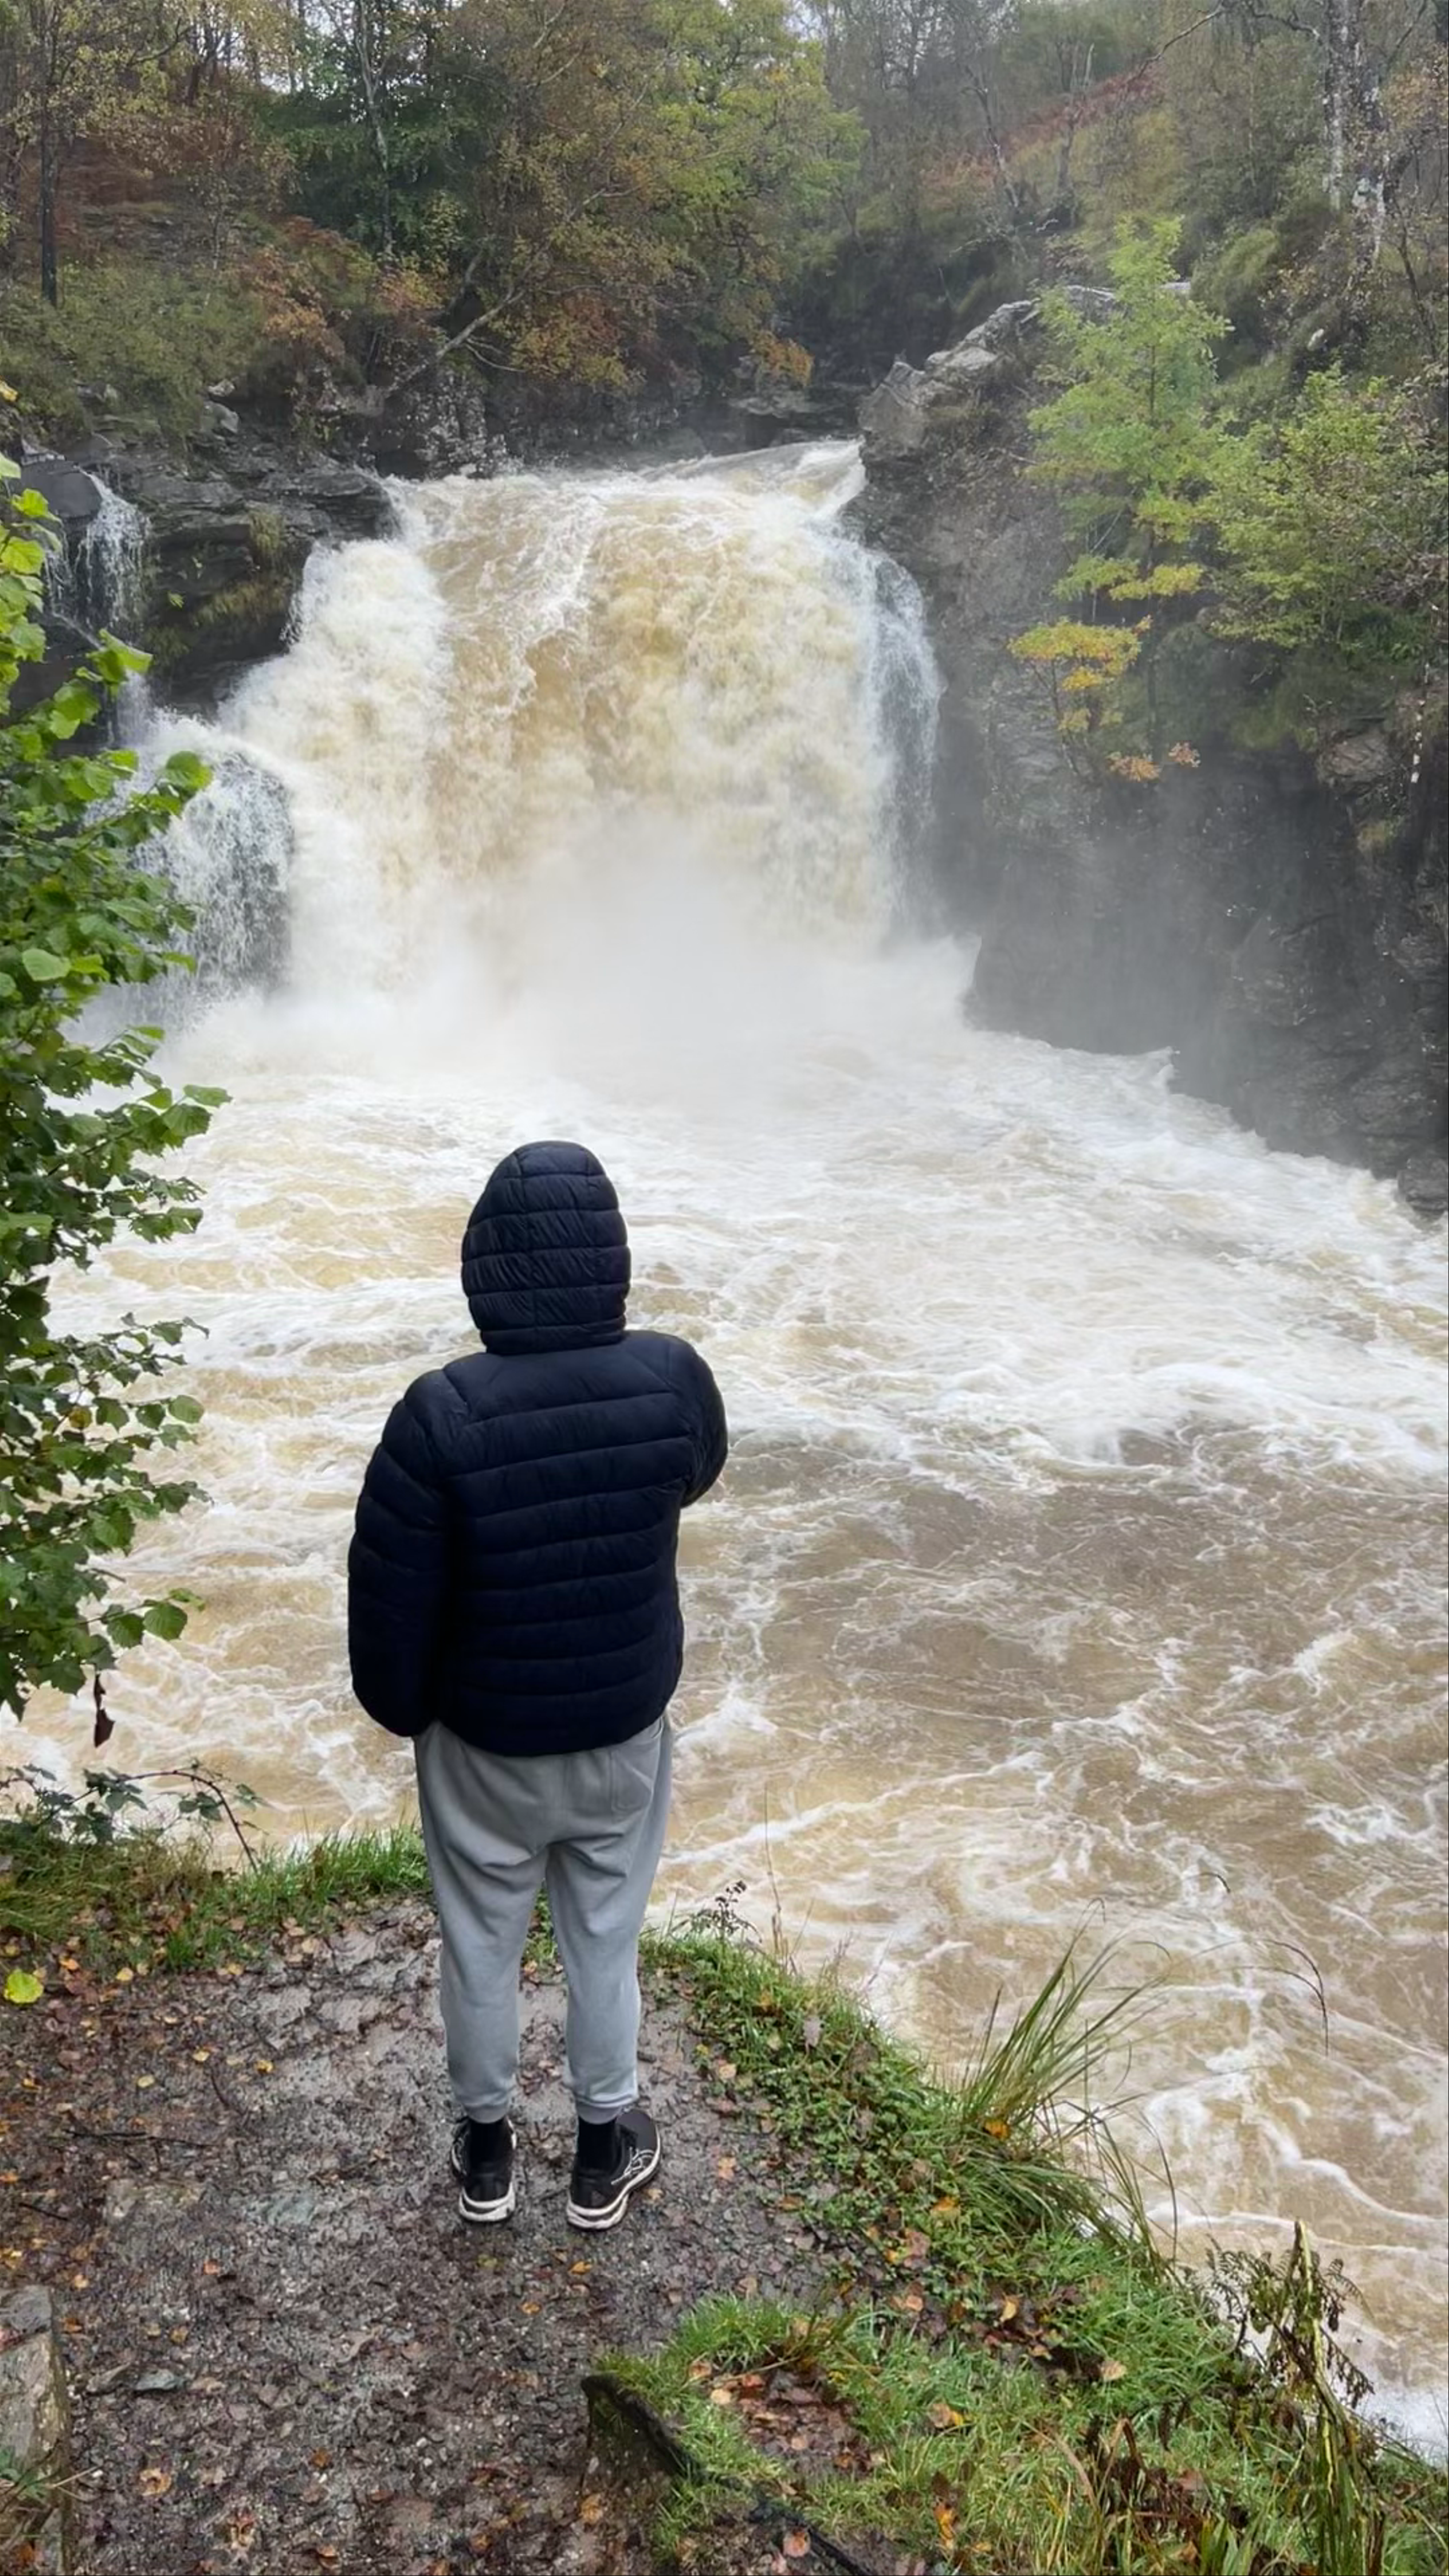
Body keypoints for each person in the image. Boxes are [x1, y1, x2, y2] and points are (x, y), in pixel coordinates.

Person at [347, 1141, 727, 2234]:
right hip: (620, 1729)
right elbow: (694, 1475)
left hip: (486, 1743)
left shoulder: (440, 1415)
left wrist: (407, 1711)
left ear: (484, 1266)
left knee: (480, 1940)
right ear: (611, 1260)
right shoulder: (673, 1380)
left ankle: (485, 2153)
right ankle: (605, 2148)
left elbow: (391, 1595)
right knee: (606, 1932)